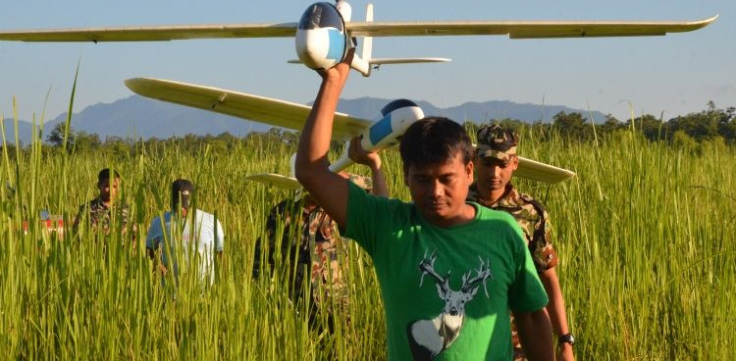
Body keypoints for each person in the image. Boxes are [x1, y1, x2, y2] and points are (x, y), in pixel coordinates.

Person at [294, 49, 554, 361]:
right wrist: (334, 82)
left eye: (447, 178)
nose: (435, 191)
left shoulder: (503, 230)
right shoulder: (388, 227)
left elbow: (531, 315)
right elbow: (310, 170)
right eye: (422, 179)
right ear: (405, 176)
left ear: (469, 171)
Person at [468, 124, 575, 361]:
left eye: (502, 165)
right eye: (487, 163)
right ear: (475, 160)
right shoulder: (457, 205)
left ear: (515, 163)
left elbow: (548, 279)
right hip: (465, 338)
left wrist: (565, 341)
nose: (494, 174)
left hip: (518, 343)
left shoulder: (530, 213)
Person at [252, 159, 387, 327]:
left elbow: (376, 193)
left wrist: (339, 175)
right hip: (295, 307)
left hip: (336, 304)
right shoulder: (281, 213)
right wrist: (271, 295)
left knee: (341, 352)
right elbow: (263, 256)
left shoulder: (337, 207)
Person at [145, 179, 225, 286]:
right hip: (170, 294)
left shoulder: (212, 221)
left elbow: (221, 255)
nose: (182, 209)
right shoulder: (159, 223)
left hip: (205, 295)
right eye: (179, 204)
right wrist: (158, 266)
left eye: (186, 205)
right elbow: (147, 252)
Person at [72, 168, 134, 238]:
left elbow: (135, 234)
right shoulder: (87, 208)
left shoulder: (127, 209)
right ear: (99, 186)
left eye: (115, 186)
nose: (111, 191)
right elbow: (76, 234)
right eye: (107, 186)